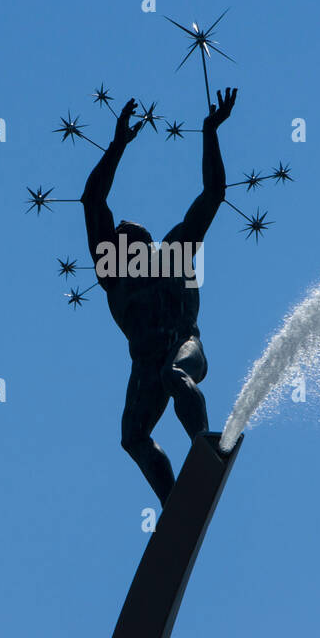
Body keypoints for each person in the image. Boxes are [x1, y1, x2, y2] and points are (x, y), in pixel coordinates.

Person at [81, 88, 239, 506]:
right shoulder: (112, 276)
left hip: (184, 346)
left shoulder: (173, 253)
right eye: (115, 242)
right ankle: (173, 505)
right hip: (144, 363)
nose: (119, 245)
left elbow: (212, 194)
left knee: (176, 376)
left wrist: (210, 132)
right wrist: (117, 145)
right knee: (132, 436)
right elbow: (93, 200)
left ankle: (206, 447)